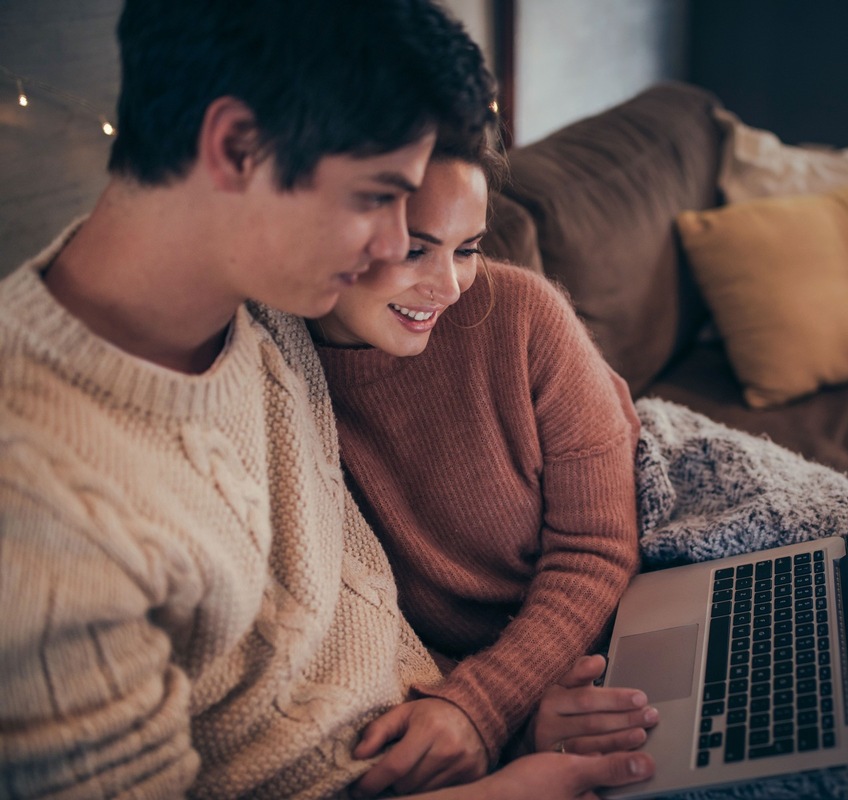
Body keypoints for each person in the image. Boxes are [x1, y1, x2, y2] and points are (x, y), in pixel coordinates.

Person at [0, 0, 653, 797]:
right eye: (379, 198)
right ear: (237, 148)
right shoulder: (38, 508)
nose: (395, 251)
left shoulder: (266, 310)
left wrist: (502, 718)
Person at [303, 118, 648, 793]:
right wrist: (510, 719)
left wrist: (488, 704)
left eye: (467, 249)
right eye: (416, 250)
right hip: (497, 678)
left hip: (608, 601)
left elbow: (598, 545)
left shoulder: (521, 315)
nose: (449, 286)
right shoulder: (279, 381)